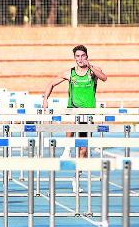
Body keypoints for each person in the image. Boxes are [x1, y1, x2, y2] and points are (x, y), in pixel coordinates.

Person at [42, 45, 107, 192]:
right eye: (77, 56)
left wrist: (91, 67)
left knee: (83, 150)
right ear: (74, 58)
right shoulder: (70, 73)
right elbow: (51, 83)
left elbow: (104, 78)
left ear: (87, 56)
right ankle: (66, 148)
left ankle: (76, 177)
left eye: (83, 56)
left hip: (88, 113)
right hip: (74, 109)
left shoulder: (93, 71)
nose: (80, 59)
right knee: (72, 119)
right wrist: (45, 98)